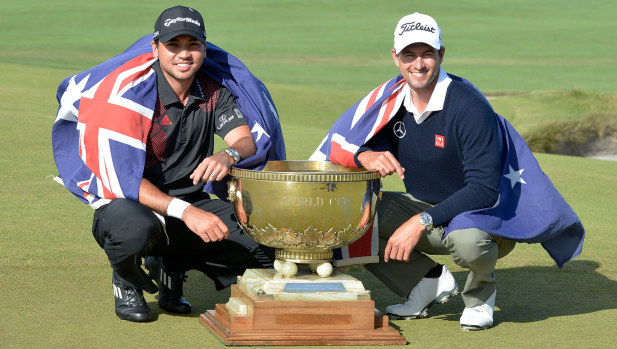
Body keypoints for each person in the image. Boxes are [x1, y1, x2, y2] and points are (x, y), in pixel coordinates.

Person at [312, 12, 581, 331]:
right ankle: (425, 283)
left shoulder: (469, 107)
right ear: (395, 58)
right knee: (352, 215)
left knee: (466, 239)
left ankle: (481, 296)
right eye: (409, 55)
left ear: (441, 54)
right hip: (425, 205)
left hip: (485, 215)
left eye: (427, 54)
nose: (418, 64)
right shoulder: (391, 103)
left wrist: (418, 222)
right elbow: (354, 143)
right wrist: (366, 155)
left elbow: (483, 189)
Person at [53, 5, 281, 322]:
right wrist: (188, 214)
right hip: (130, 202)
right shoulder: (131, 95)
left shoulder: (213, 91)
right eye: (173, 45)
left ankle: (174, 266)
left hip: (189, 201)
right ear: (156, 47)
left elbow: (244, 141)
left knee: (265, 235)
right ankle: (127, 281)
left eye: (193, 45)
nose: (183, 54)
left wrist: (227, 154)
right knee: (134, 229)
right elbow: (125, 181)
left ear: (204, 47)